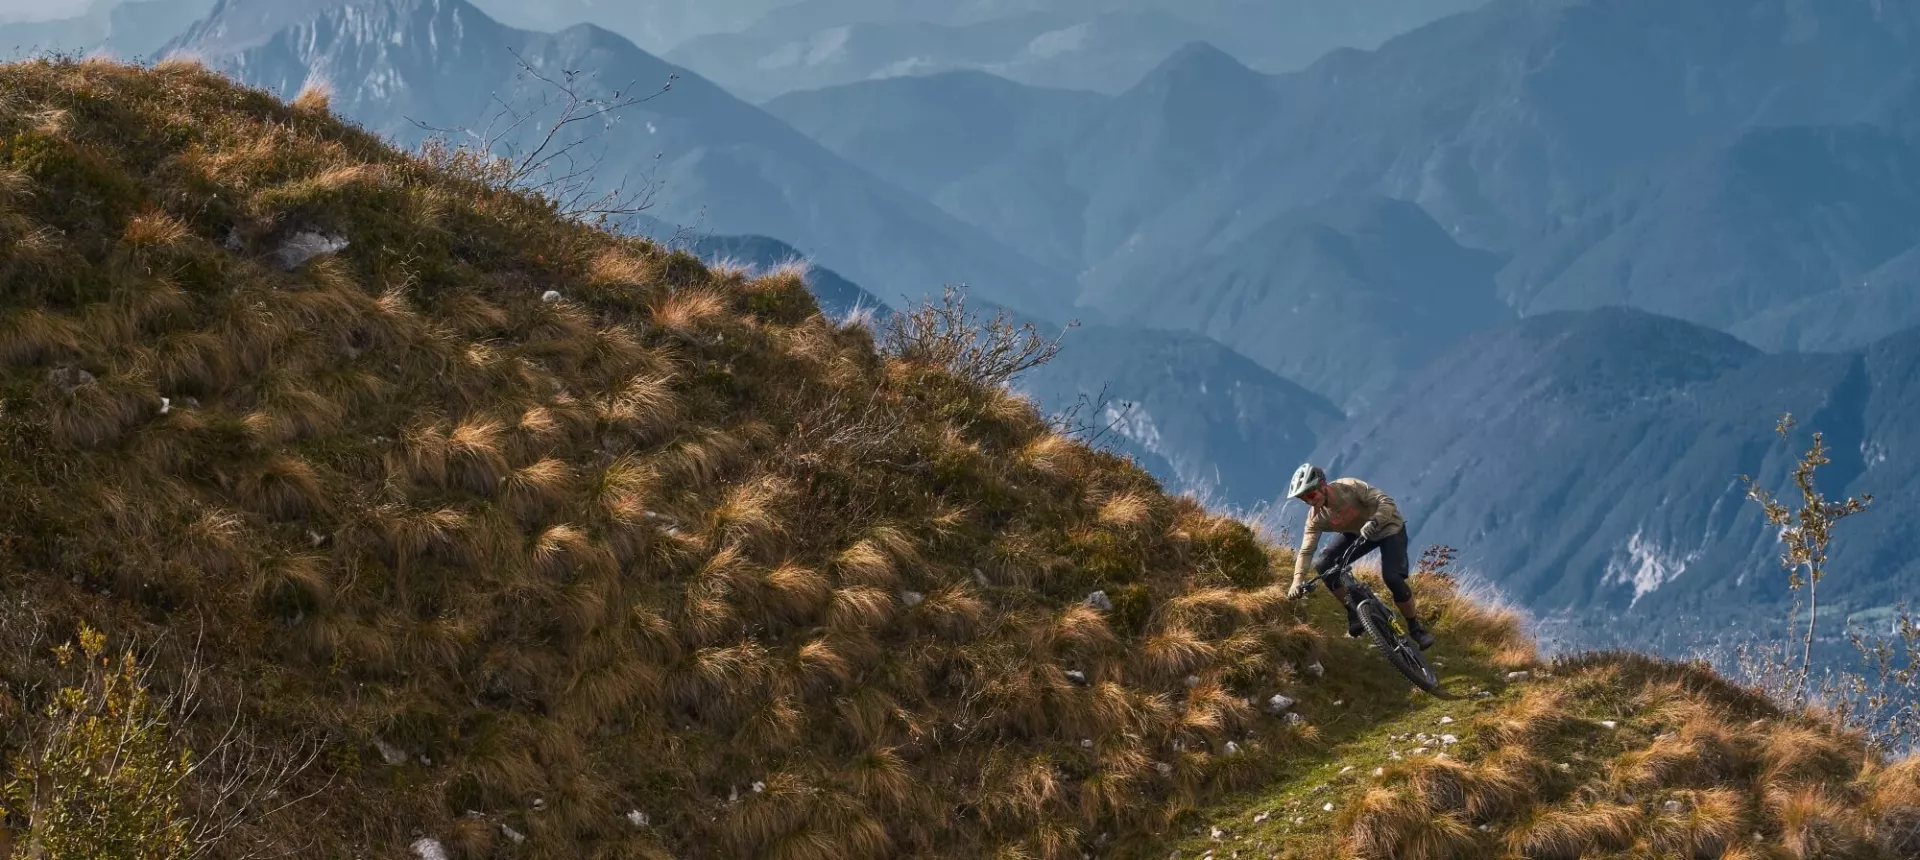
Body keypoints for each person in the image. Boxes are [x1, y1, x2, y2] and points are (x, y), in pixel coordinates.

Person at [1282, 463, 1435, 650]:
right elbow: (1306, 551)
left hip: (1388, 527)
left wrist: (1375, 520)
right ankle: (1354, 611)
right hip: (1358, 534)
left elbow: (1386, 502)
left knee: (1393, 578)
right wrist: (1297, 580)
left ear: (1323, 485)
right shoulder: (1316, 518)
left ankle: (1416, 629)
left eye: (1311, 495)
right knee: (1324, 564)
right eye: (1303, 499)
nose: (1309, 501)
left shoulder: (1349, 487)